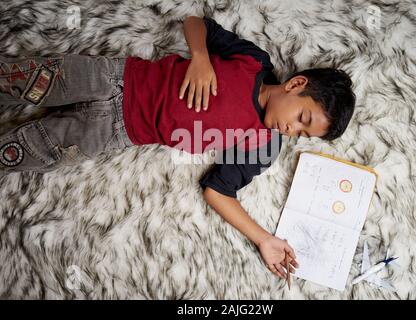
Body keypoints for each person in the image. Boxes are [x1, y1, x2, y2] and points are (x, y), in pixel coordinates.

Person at [0, 15, 355, 280]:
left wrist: (264, 238)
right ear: (295, 84)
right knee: (17, 80)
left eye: (302, 134)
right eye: (302, 118)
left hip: (115, 130)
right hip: (114, 76)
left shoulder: (264, 145)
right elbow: (195, 23)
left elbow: (218, 191)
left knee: (26, 149)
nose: (292, 130)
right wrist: (200, 58)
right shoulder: (254, 63)